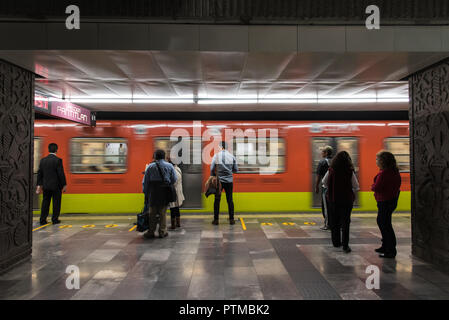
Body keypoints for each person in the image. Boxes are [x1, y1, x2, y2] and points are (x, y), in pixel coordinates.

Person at [322, 151, 359, 253]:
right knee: (345, 222)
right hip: (347, 201)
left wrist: (331, 187)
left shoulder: (331, 170)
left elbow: (324, 182)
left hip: (333, 200)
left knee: (334, 222)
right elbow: (356, 186)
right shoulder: (349, 171)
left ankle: (336, 242)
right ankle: (345, 245)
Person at [372, 151, 401, 259]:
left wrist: (373, 186)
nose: (376, 161)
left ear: (383, 161)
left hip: (385, 201)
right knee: (385, 223)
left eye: (378, 159)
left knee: (385, 225)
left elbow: (377, 187)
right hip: (390, 200)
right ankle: (385, 246)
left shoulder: (384, 173)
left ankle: (390, 250)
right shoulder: (394, 171)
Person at [142, 149, 177, 239]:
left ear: (155, 157)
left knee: (152, 213)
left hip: (153, 192)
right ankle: (162, 232)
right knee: (163, 213)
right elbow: (174, 179)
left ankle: (151, 232)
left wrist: (146, 193)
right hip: (164, 191)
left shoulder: (150, 167)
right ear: (164, 156)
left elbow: (145, 182)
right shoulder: (169, 166)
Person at [36, 143, 67, 225]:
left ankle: (42, 220)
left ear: (48, 149)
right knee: (56, 203)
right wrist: (64, 184)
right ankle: (55, 219)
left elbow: (40, 174)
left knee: (45, 202)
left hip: (46, 186)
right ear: (56, 150)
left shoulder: (43, 160)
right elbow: (61, 173)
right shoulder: (58, 160)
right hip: (56, 186)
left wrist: (39, 185)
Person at [210, 141, 238, 225]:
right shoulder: (232, 156)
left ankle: (216, 220)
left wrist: (213, 175)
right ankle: (231, 219)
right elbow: (236, 170)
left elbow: (212, 168)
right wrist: (229, 172)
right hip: (229, 181)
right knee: (230, 200)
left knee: (217, 200)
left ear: (220, 147)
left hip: (219, 182)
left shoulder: (216, 156)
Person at [315, 145, 333, 230]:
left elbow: (318, 176)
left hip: (326, 188)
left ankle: (328, 224)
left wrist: (316, 186)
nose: (321, 153)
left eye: (322, 152)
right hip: (335, 187)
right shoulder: (335, 161)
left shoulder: (322, 162)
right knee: (333, 205)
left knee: (326, 206)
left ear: (326, 153)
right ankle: (336, 223)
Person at [167, 157, 185, 230]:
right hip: (178, 191)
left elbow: (174, 182)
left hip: (174, 191)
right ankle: (178, 223)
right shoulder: (178, 169)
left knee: (173, 208)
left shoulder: (173, 170)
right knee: (177, 208)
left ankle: (173, 225)